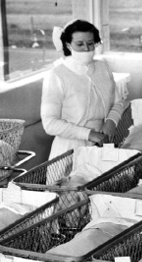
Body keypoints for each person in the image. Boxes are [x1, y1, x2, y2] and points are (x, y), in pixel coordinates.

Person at [42, 19, 123, 160]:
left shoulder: (103, 68)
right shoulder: (56, 76)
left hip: (101, 144)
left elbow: (118, 102)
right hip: (69, 149)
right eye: (79, 44)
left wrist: (111, 121)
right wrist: (88, 134)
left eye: (90, 43)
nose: (86, 48)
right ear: (68, 45)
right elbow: (50, 123)